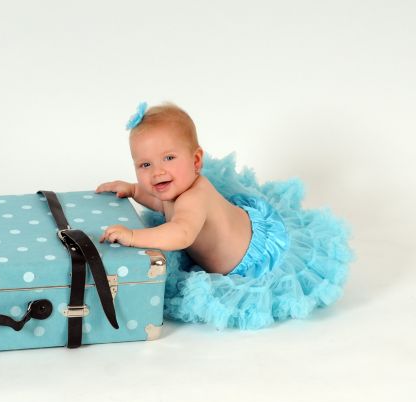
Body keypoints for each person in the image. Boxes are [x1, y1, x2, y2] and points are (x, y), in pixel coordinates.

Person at [96, 102, 353, 329]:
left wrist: (133, 236)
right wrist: (133, 190)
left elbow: (181, 233)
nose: (157, 172)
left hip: (253, 257)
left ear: (196, 161)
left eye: (169, 158)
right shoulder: (175, 190)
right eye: (145, 164)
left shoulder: (193, 198)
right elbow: (160, 203)